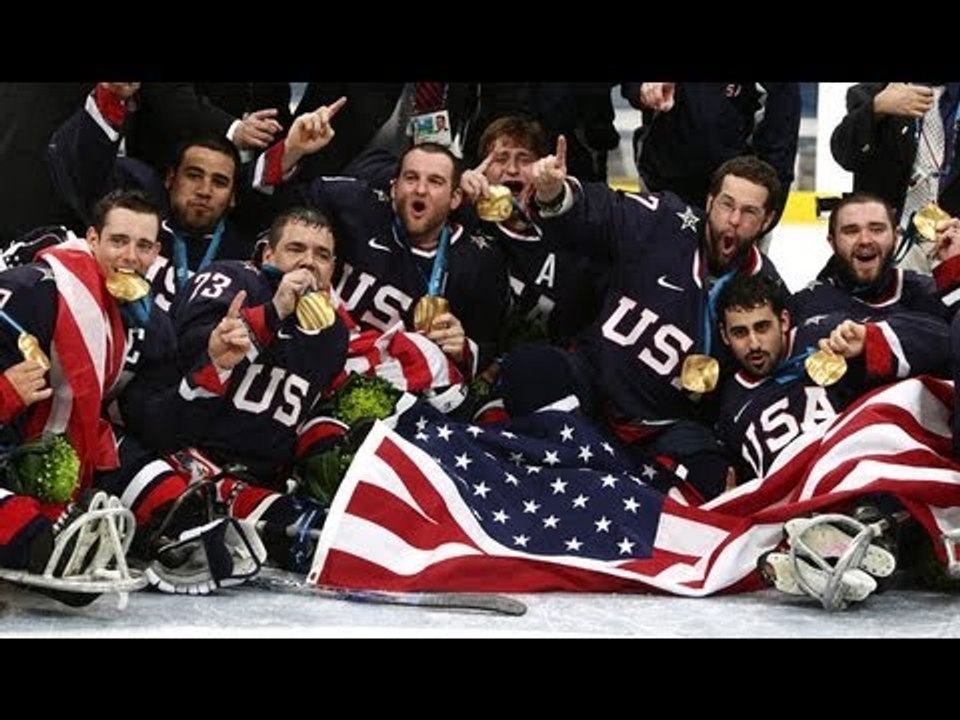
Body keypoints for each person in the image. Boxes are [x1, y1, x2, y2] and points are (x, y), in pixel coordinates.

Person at [497, 147, 783, 500]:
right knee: (529, 367)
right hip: (591, 384)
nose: (734, 220)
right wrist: (555, 193)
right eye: (726, 204)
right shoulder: (665, 220)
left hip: (666, 425)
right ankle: (589, 474)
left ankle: (605, 478)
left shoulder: (767, 288)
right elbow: (598, 212)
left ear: (768, 220)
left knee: (715, 479)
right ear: (709, 201)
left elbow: (768, 372)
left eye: (749, 212)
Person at [254, 101, 510, 384]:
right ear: (393, 185)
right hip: (310, 358)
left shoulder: (480, 260)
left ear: (456, 198)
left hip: (394, 386)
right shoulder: (353, 205)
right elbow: (268, 208)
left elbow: (488, 344)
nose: (421, 189)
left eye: (436, 181)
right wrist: (293, 149)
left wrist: (463, 349)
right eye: (410, 178)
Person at [47, 82, 261, 315]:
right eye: (193, 175)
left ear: (233, 196)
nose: (204, 190)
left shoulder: (244, 259)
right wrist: (110, 97)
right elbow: (88, 171)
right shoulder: (133, 227)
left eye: (219, 182)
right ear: (170, 178)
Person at [715, 273, 949, 483]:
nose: (754, 343)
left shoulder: (827, 334)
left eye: (762, 327)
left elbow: (942, 339)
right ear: (725, 335)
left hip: (864, 478)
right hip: (799, 514)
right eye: (740, 333)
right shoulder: (728, 404)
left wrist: (870, 340)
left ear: (784, 321)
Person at [459, 115, 608, 349]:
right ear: (482, 170)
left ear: (541, 168)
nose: (511, 169)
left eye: (524, 158)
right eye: (500, 158)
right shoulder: (460, 220)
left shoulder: (569, 230)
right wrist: (454, 195)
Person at [621, 82, 800, 229]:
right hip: (662, 184)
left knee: (732, 271)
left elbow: (781, 131)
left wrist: (769, 209)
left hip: (738, 201)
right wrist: (642, 87)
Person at [830, 83, 960, 273]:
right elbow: (845, 155)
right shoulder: (873, 93)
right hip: (890, 243)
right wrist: (875, 108)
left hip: (953, 241)